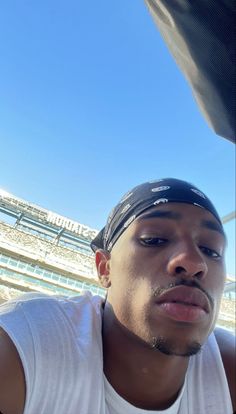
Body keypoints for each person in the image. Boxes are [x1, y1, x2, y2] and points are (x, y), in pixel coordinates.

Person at [0, 178, 235, 414]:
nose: (194, 262)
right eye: (154, 239)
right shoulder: (30, 341)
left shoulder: (228, 369)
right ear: (105, 268)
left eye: (211, 250)